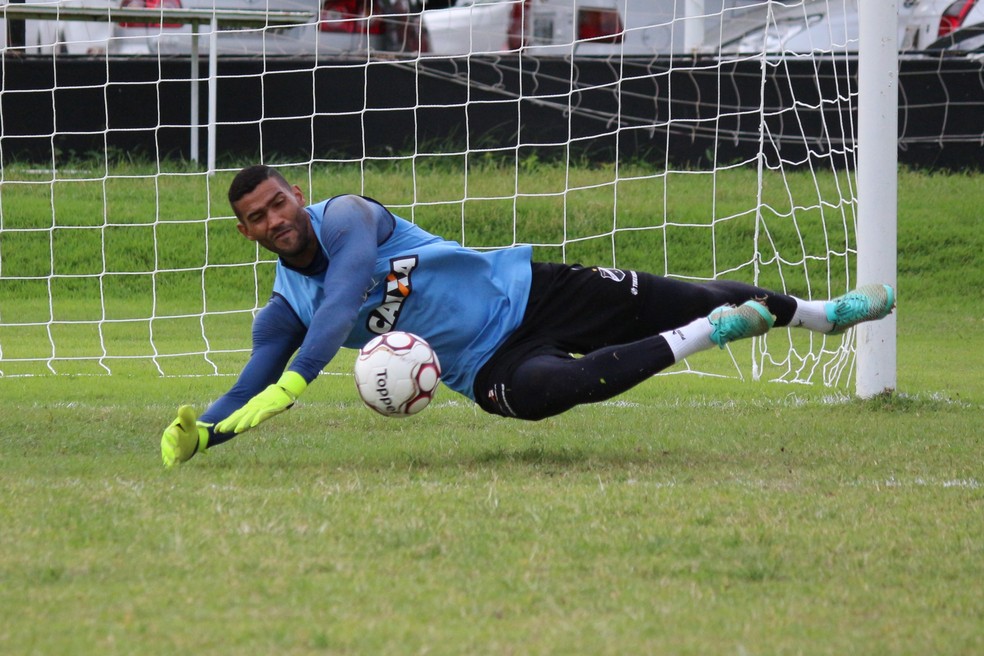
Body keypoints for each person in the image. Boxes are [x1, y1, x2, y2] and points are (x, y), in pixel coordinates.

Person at [161, 164, 896, 467]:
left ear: (297, 194)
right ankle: (711, 338)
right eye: (259, 218)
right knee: (549, 394)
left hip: (530, 290)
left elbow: (349, 287)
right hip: (484, 366)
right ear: (247, 233)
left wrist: (300, 380)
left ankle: (819, 315)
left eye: (280, 202)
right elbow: (249, 381)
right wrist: (206, 434)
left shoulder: (351, 216)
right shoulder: (284, 313)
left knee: (691, 291)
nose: (277, 219)